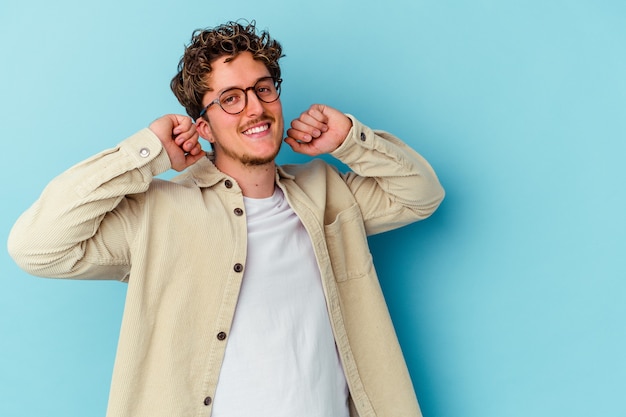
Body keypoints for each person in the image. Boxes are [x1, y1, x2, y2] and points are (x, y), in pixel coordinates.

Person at [8, 21, 444, 417]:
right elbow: (36, 247)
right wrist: (144, 153)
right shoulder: (159, 212)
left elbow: (422, 194)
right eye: (230, 99)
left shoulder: (328, 193)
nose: (255, 108)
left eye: (263, 89)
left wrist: (351, 139)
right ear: (204, 127)